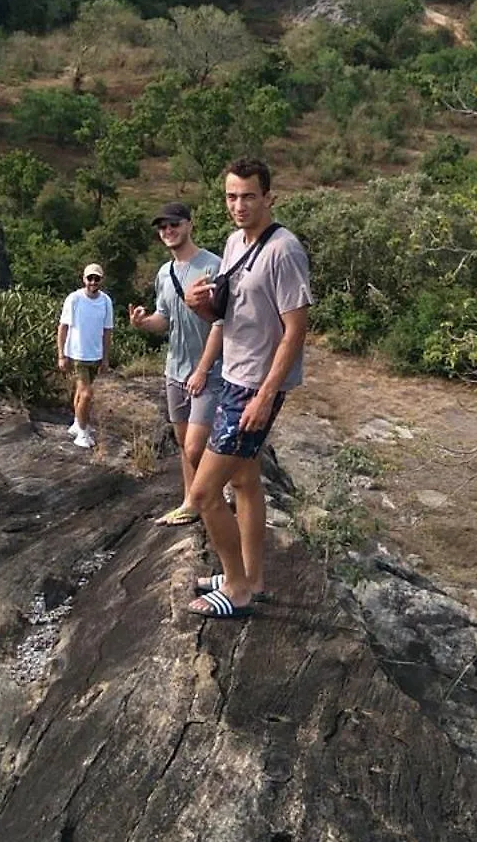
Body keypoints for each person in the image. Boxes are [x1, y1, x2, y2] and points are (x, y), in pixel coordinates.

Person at [182, 158, 312, 619]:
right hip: (233, 375)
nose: (238, 205)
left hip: (254, 387)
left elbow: (295, 330)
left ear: (269, 197)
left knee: (201, 495)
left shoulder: (284, 250)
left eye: (248, 196)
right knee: (245, 479)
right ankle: (251, 574)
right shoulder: (235, 242)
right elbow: (227, 315)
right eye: (231, 196)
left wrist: (265, 396)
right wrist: (197, 304)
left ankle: (236, 588)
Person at [128, 201, 224, 527]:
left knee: (198, 446)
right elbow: (164, 320)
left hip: (209, 372)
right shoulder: (164, 274)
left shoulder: (213, 266)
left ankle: (216, 495)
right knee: (184, 444)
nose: (168, 231)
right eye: (163, 227)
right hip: (175, 370)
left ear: (189, 224)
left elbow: (222, 324)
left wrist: (202, 370)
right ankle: (190, 502)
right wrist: (143, 323)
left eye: (174, 224)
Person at [57, 263, 114, 449]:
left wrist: (105, 358)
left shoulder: (106, 301)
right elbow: (63, 327)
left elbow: (107, 331)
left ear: (101, 280)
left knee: (81, 393)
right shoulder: (74, 299)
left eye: (96, 278)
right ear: (84, 279)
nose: (93, 282)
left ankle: (77, 422)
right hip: (78, 354)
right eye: (90, 278)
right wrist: (61, 355)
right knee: (86, 394)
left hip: (95, 354)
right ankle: (82, 433)